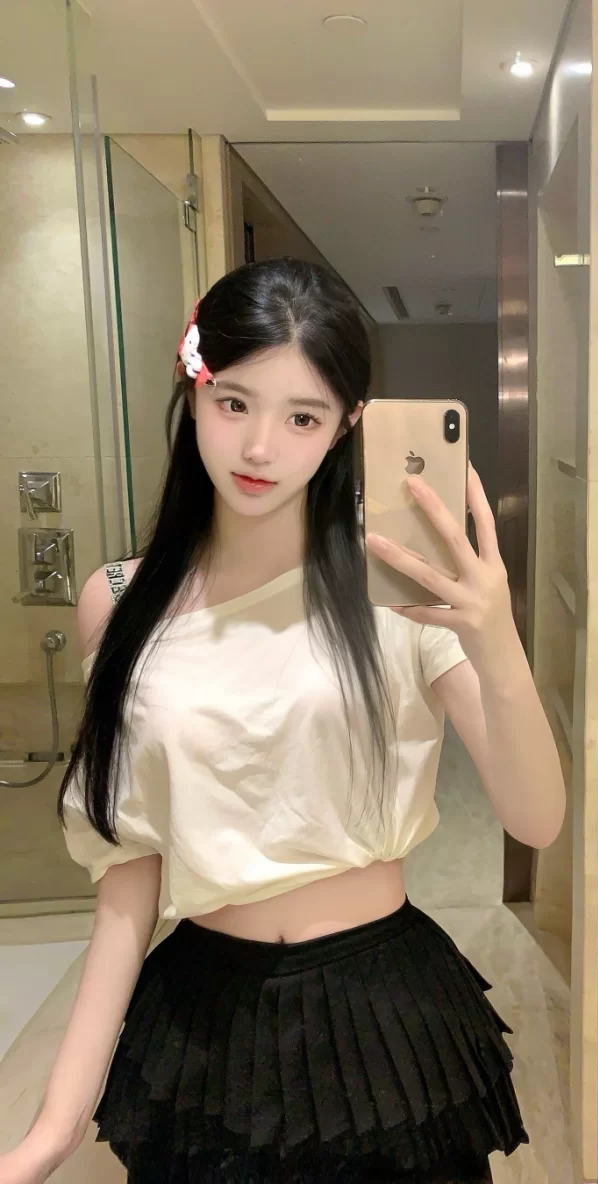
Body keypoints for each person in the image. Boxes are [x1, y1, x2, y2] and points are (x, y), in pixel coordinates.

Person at [0, 258, 565, 1184]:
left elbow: (536, 819)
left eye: (303, 417)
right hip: (202, 1025)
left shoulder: (400, 591)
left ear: (347, 425)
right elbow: (127, 882)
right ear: (194, 392)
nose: (260, 446)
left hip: (385, 1016)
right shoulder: (121, 602)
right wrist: (49, 1132)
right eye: (234, 403)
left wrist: (496, 638)